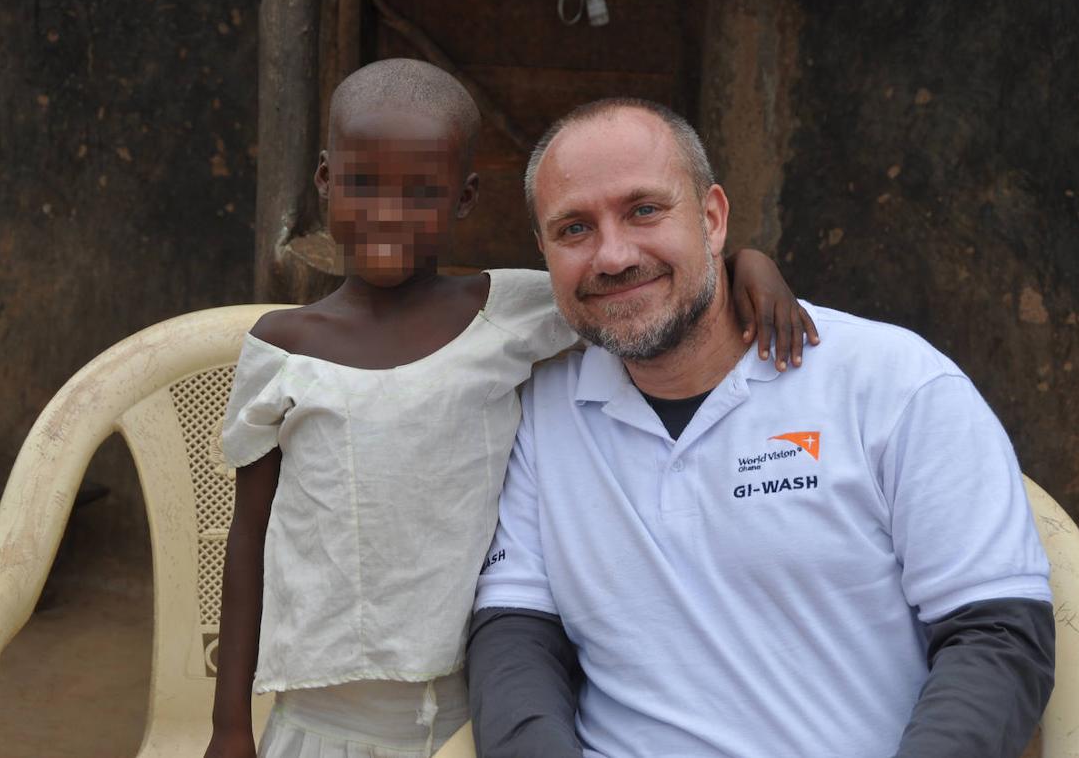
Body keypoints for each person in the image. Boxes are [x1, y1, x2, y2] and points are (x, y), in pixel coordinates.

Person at [203, 61, 815, 758]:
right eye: (362, 184)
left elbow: (635, 287)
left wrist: (747, 262)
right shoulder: (282, 348)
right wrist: (229, 726)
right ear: (324, 180)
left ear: (464, 197)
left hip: (469, 715)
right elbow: (248, 536)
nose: (387, 214)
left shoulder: (509, 311)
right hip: (321, 720)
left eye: (421, 193)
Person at [468, 98, 1057, 758]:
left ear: (712, 219)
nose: (613, 255)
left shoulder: (893, 384)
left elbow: (997, 637)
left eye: (644, 210)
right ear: (544, 252)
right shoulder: (544, 414)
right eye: (574, 228)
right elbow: (516, 637)